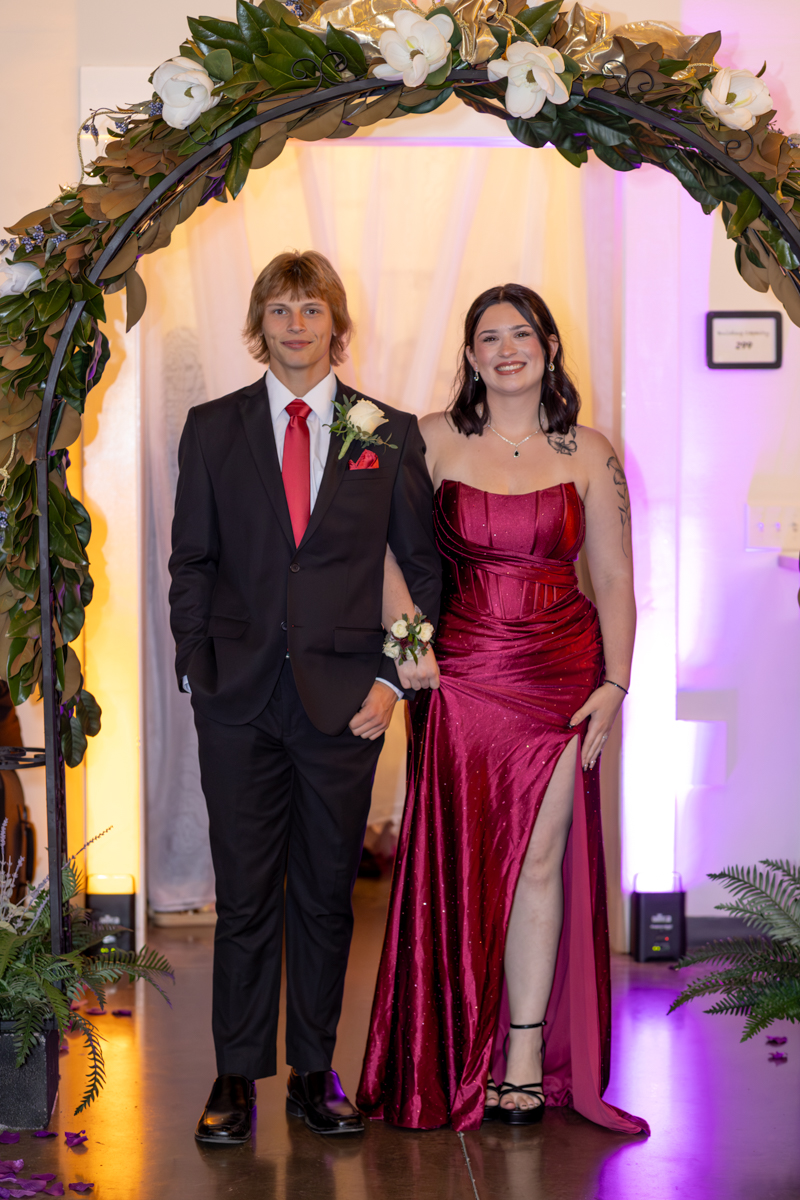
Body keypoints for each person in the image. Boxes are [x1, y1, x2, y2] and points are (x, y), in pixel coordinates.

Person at [358, 284, 648, 1135]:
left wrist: (616, 683)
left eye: (522, 333)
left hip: (562, 676)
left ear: (549, 347)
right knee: (458, 864)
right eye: (490, 336)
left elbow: (617, 578)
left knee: (541, 862)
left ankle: (522, 1054)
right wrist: (407, 638)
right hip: (461, 678)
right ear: (472, 355)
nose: (507, 348)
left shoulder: (590, 451)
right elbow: (373, 540)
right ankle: (457, 1051)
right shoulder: (432, 438)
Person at [169, 250, 441, 1143]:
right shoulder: (213, 429)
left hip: (346, 702)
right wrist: (194, 663)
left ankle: (315, 1076)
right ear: (259, 324)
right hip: (237, 702)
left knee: (324, 894)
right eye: (279, 309)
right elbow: (192, 564)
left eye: (310, 308)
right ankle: (236, 1077)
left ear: (336, 323)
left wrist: (391, 680)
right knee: (246, 894)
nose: (295, 324)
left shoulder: (383, 430)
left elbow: (421, 570)